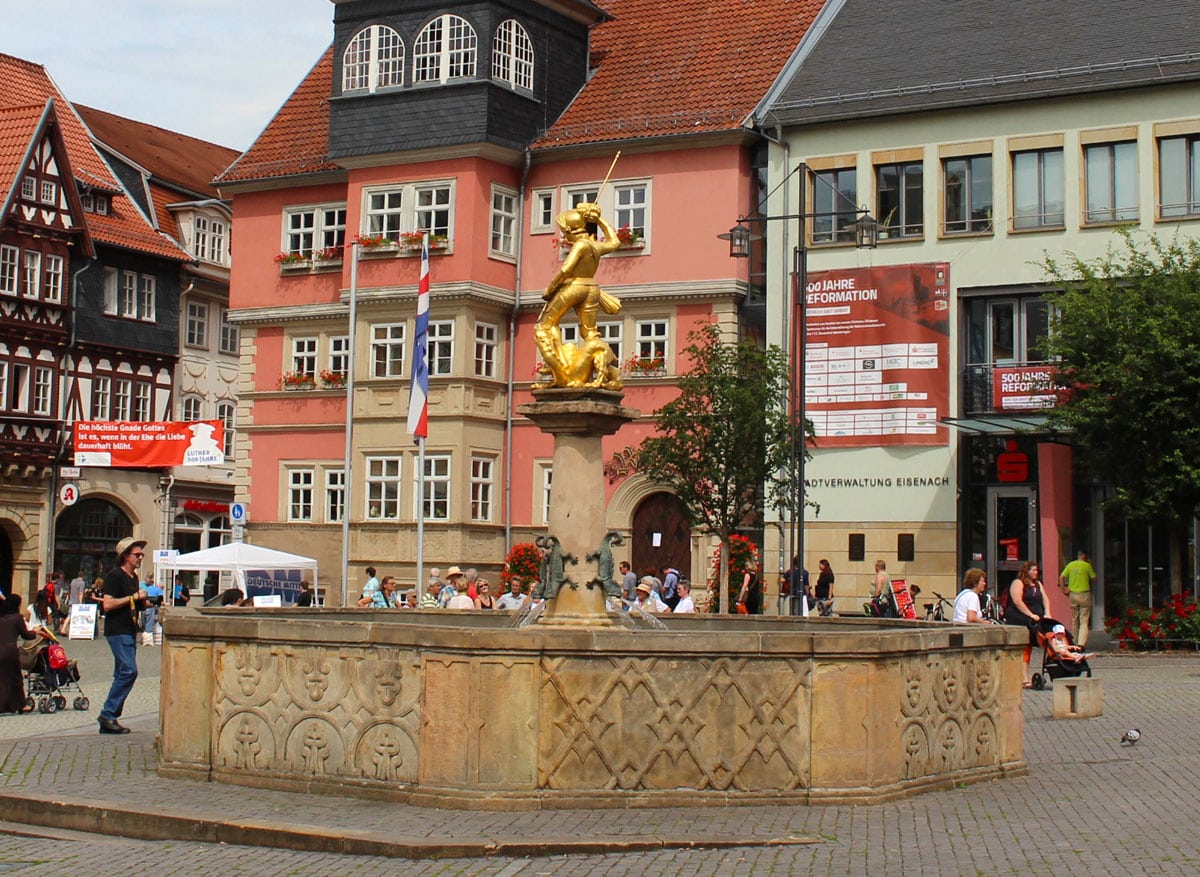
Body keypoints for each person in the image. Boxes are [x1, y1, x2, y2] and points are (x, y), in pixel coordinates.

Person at [534, 202, 624, 390]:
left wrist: (550, 289)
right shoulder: (594, 245)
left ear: (571, 231)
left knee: (546, 324)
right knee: (590, 333)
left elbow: (566, 269)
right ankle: (609, 373)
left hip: (574, 287)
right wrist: (599, 220)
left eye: (563, 232)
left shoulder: (581, 245)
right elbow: (615, 242)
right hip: (592, 289)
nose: (563, 237)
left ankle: (558, 367)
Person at [99, 536, 149, 734]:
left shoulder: (133, 578)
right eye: (137, 554)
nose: (140, 557)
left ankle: (110, 718)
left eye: (141, 554)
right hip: (117, 630)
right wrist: (133, 597)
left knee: (122, 673)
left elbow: (131, 603)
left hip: (129, 629)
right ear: (125, 556)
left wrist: (145, 602)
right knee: (129, 671)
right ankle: (108, 714)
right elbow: (108, 604)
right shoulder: (114, 576)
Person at [1006, 561, 1046, 687]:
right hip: (1021, 618)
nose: (1035, 573)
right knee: (1025, 647)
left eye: (1036, 570)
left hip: (1036, 618)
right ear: (1026, 571)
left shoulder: (1038, 584)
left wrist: (1048, 613)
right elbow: (1017, 601)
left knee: (1044, 639)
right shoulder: (1018, 583)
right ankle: (1024, 678)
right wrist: (1030, 614)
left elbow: (1045, 599)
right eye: (1032, 570)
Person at [0, 595, 38, 714]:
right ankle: (19, 705)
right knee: (15, 678)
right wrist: (35, 632)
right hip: (10, 651)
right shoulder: (17, 618)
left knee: (2, 679)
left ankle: (4, 705)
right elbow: (25, 634)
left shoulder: (2, 618)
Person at [1059, 549, 1096, 648]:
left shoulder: (1071, 565)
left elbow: (1061, 577)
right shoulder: (1087, 565)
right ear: (1084, 556)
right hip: (1084, 594)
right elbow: (1094, 577)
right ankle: (1081, 643)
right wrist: (1090, 564)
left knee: (1075, 619)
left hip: (1073, 594)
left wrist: (1063, 588)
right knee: (1084, 620)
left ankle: (1074, 641)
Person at [141, 578, 164, 646]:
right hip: (151, 607)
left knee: (144, 623)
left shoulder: (145, 589)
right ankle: (148, 641)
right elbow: (161, 601)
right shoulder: (158, 590)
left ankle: (144, 640)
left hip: (143, 607)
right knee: (150, 623)